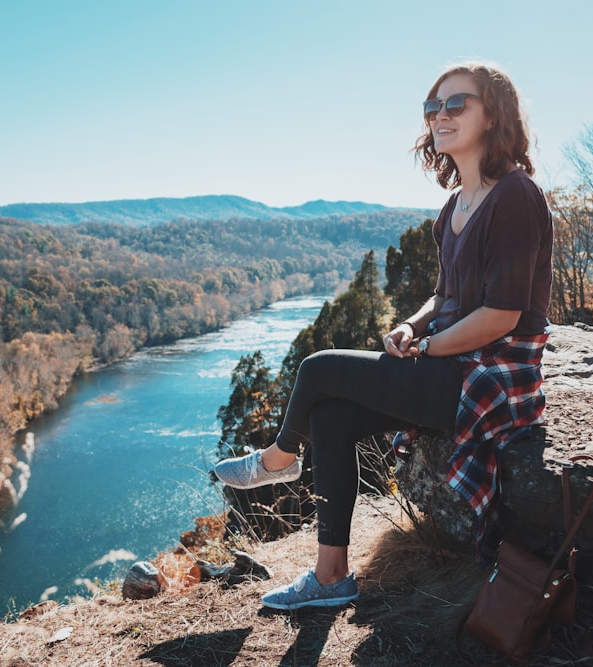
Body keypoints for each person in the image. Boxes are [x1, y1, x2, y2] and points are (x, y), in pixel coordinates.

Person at [215, 62, 553, 611]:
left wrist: (427, 348)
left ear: (494, 114)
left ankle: (278, 458)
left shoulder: (514, 195)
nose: (439, 116)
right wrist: (412, 326)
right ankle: (331, 577)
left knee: (318, 368)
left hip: (489, 379)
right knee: (330, 416)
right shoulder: (457, 206)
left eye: (456, 104)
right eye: (432, 107)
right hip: (450, 365)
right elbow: (444, 296)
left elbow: (501, 316)